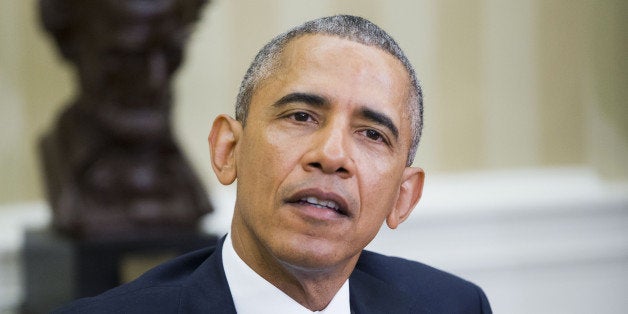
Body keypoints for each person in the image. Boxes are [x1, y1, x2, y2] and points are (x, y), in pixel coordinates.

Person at [54, 15, 492, 313]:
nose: (332, 155)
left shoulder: (452, 305)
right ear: (228, 150)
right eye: (301, 116)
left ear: (403, 197)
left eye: (372, 134)